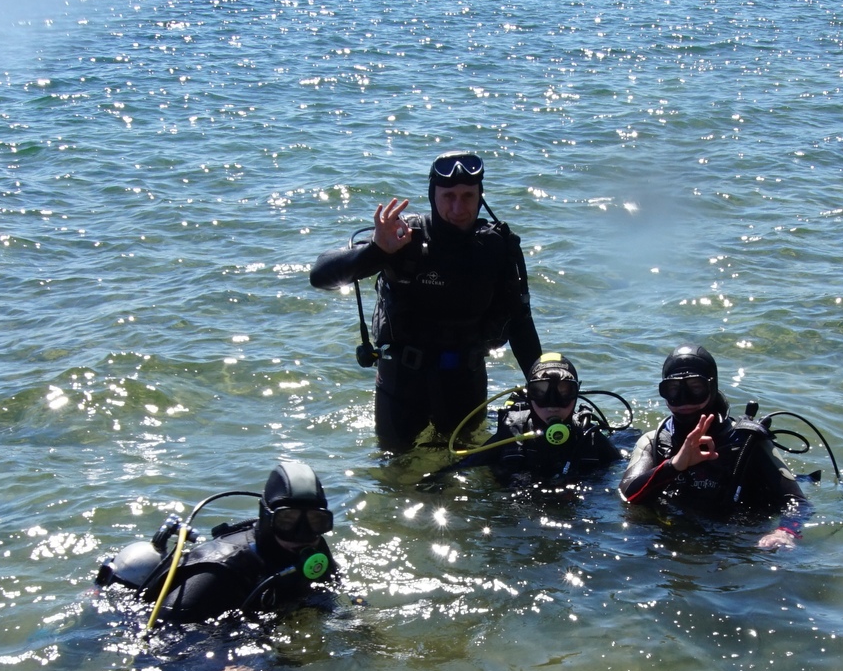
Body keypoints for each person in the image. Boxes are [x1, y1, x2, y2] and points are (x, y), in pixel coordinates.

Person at [309, 153, 541, 452]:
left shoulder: (496, 248)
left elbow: (520, 323)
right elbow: (320, 276)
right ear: (433, 195)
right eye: (448, 197)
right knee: (396, 476)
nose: (458, 208)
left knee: (464, 474)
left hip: (465, 382)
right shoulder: (403, 239)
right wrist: (377, 251)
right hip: (402, 383)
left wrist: (541, 389)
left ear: (481, 196)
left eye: (468, 196)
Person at [98, 459, 339, 629]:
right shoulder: (218, 573)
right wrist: (221, 667)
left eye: (317, 521)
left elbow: (333, 592)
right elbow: (160, 642)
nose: (303, 534)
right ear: (267, 520)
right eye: (287, 520)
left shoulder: (315, 549)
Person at [618, 344, 803, 549]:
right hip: (671, 542)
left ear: (712, 387)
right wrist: (674, 465)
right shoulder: (654, 441)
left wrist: (786, 531)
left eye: (695, 387)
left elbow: (798, 502)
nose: (684, 399)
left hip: (734, 543)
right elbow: (627, 496)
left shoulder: (747, 442)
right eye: (673, 389)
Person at [446, 352, 622, 484]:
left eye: (564, 392)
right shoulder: (510, 436)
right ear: (529, 394)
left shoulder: (590, 438)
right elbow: (456, 470)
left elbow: (624, 469)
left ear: (576, 394)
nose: (552, 404)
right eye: (540, 392)